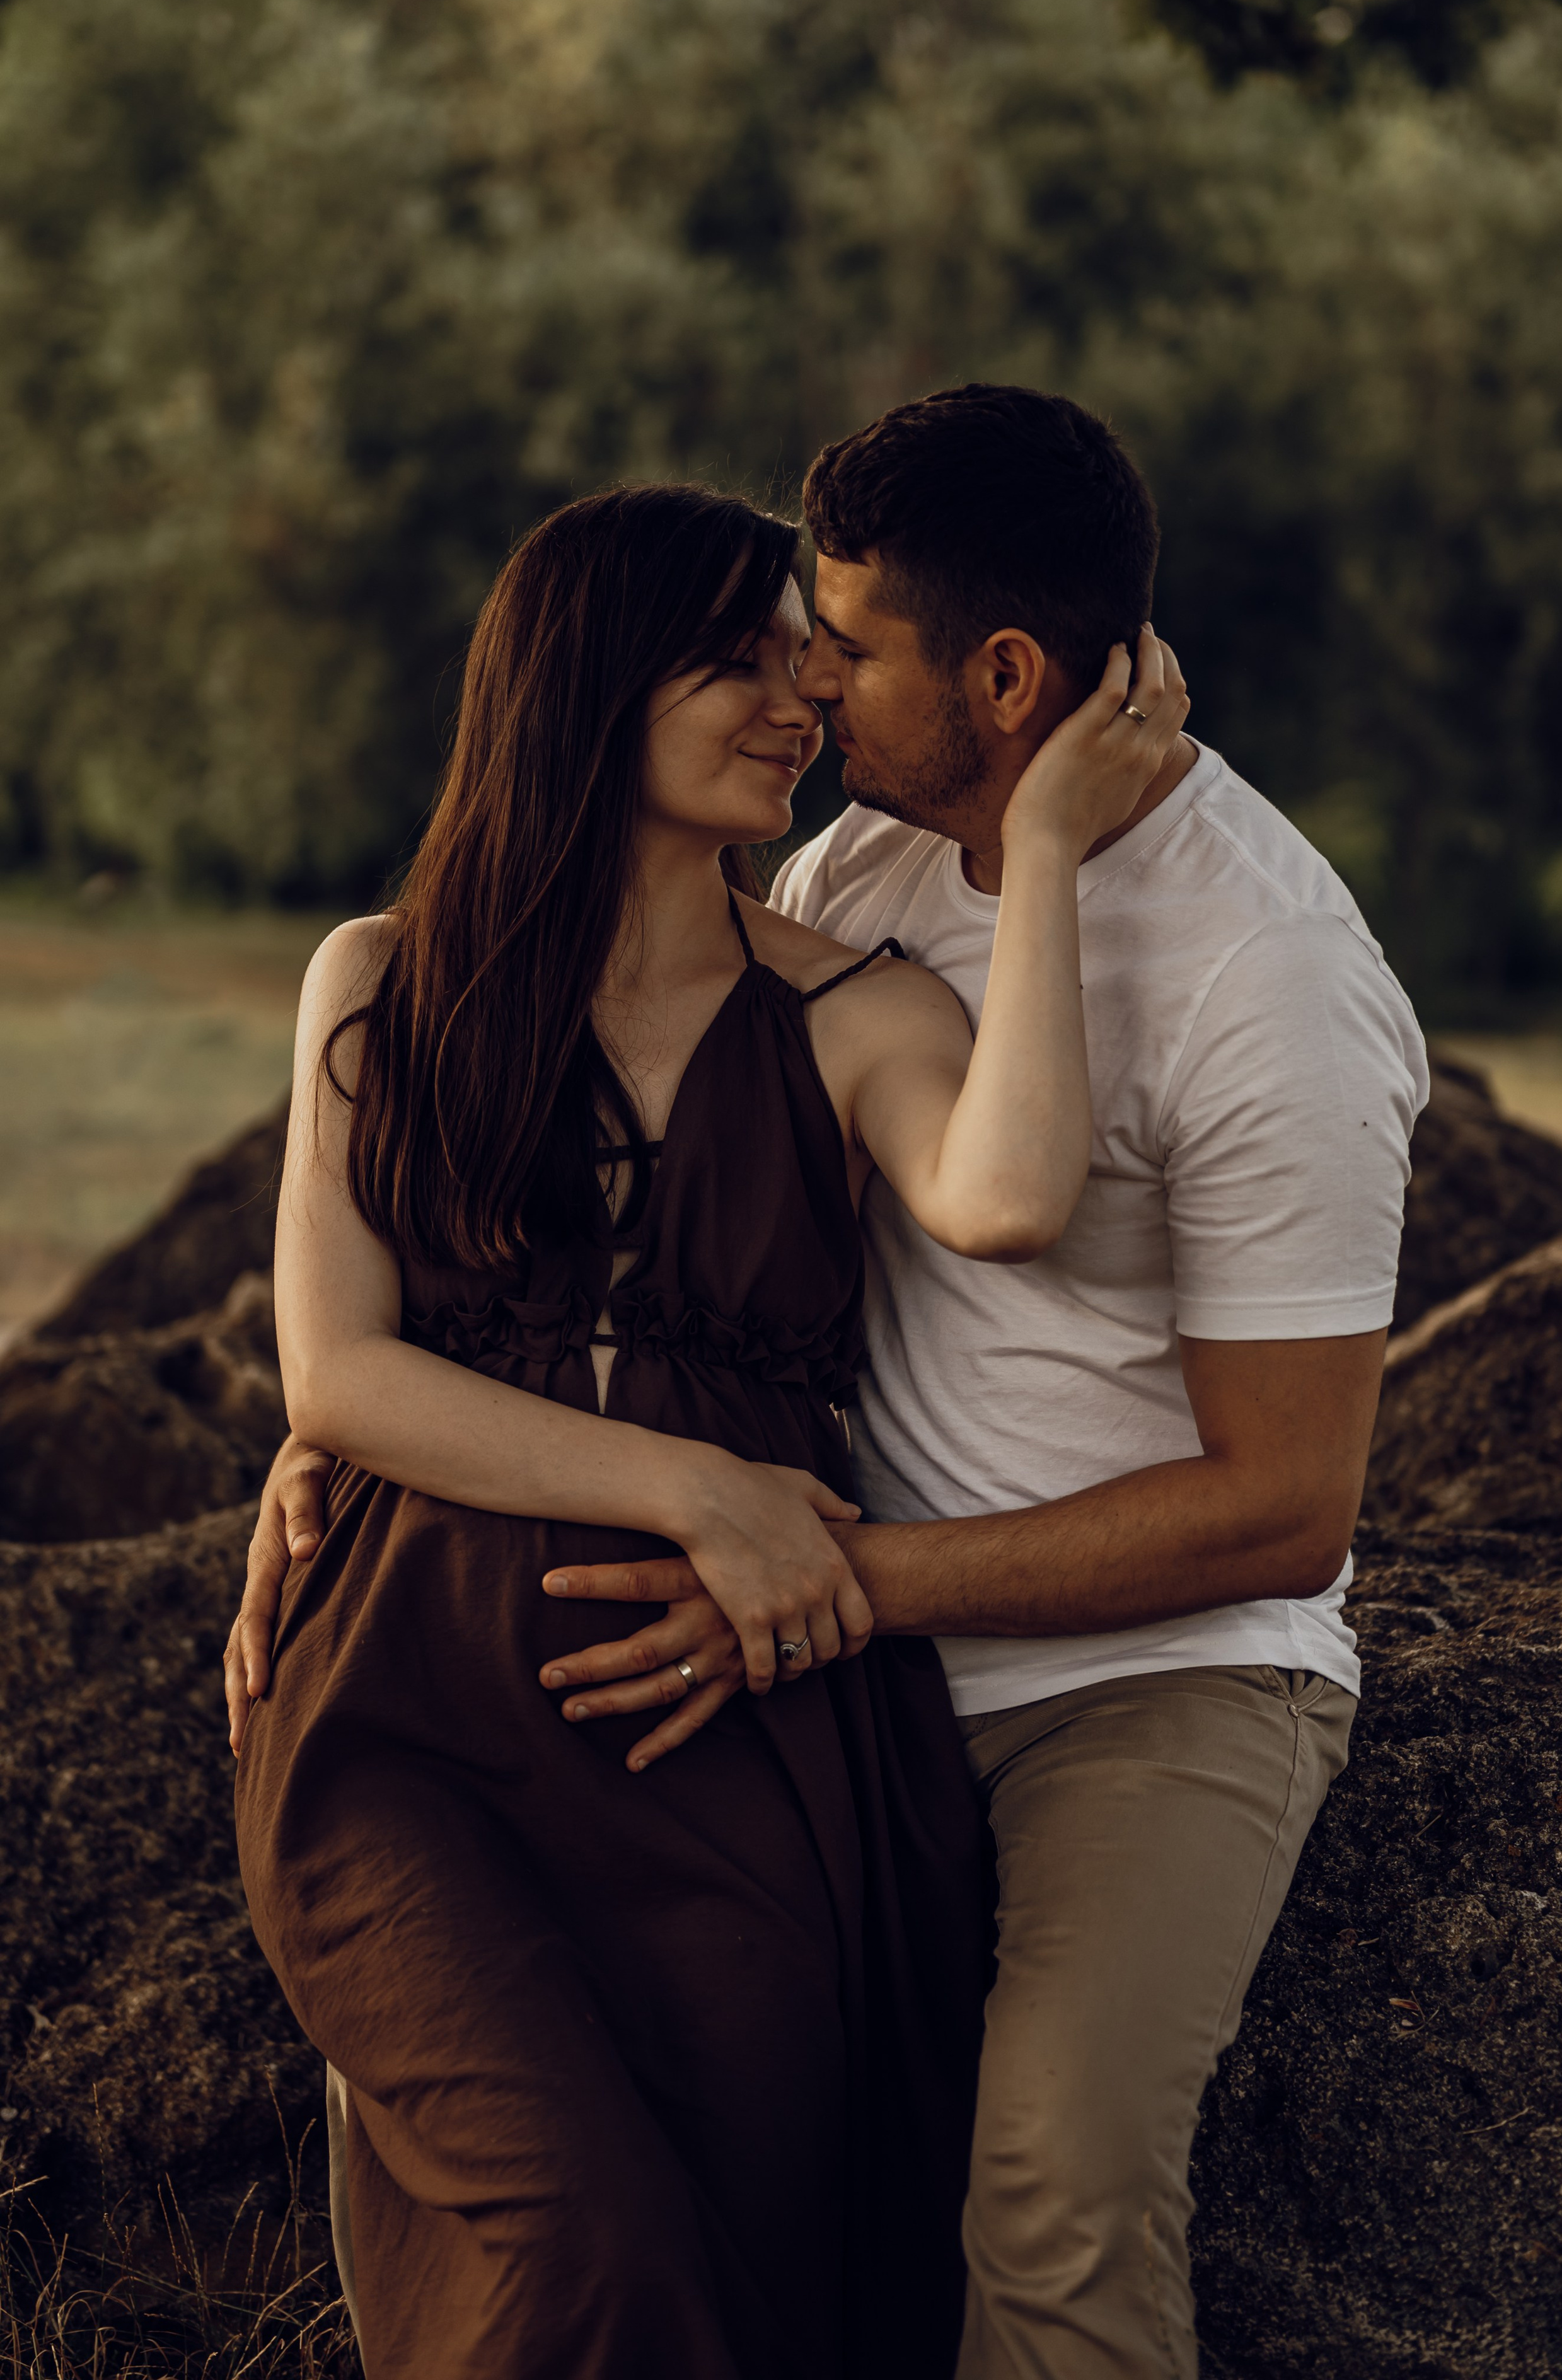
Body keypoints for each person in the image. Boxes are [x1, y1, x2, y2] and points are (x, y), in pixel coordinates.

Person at [230, 477, 1186, 2380]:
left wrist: (1056, 838)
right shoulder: (382, 977)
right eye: (742, 663)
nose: (799, 703)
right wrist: (705, 1488)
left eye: (807, 665)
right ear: (588, 683)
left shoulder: (854, 1006)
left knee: (759, 2255)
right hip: (412, 1717)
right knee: (581, 2233)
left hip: (740, 1735)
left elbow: (1007, 1193)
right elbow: (339, 1374)